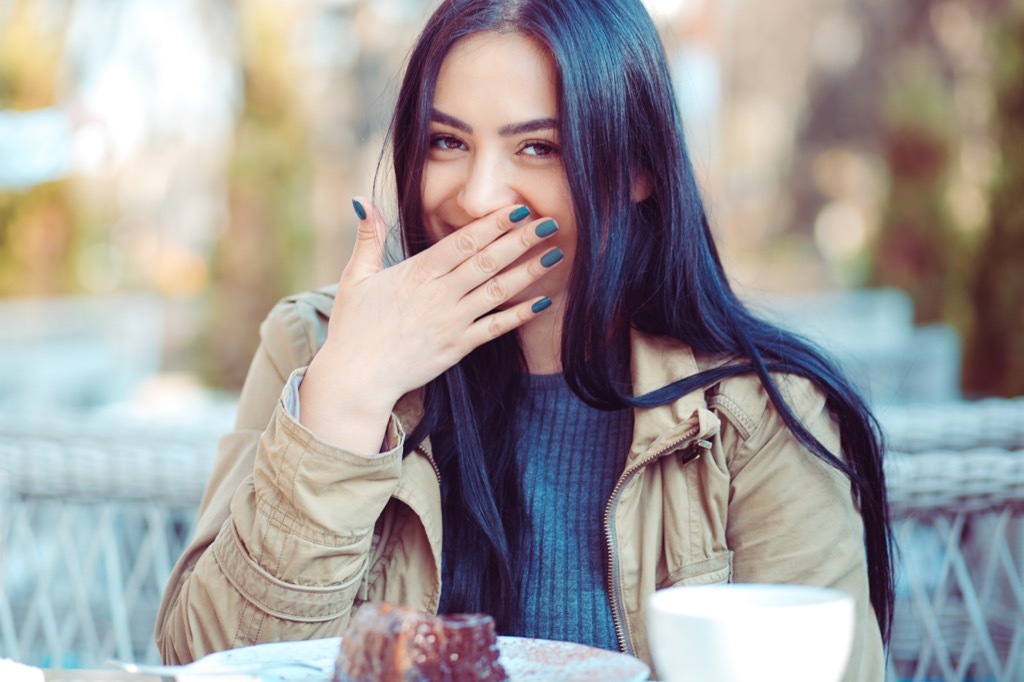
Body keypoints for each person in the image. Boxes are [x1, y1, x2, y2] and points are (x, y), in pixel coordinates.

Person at [156, 0, 893, 679]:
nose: (476, 197)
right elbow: (213, 664)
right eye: (446, 141)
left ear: (637, 168)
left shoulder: (759, 411)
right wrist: (346, 400)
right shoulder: (313, 346)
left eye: (538, 148)